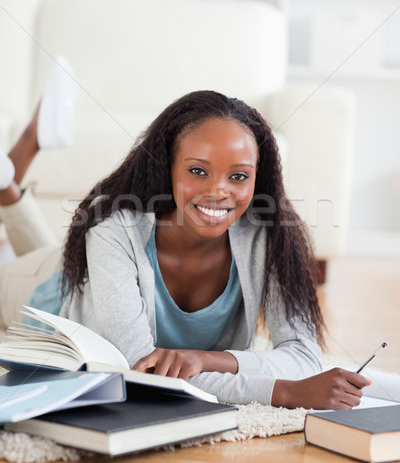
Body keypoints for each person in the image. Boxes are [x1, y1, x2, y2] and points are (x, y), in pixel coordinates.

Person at [0, 88, 371, 409]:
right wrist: (284, 393)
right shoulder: (112, 232)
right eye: (198, 171)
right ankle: (18, 162)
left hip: (96, 273)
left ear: (258, 177)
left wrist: (201, 359)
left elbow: (304, 356)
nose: (218, 190)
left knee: (55, 248)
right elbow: (139, 372)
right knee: (31, 260)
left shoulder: (266, 237)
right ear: (168, 167)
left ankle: (8, 180)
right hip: (49, 295)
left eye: (238, 176)